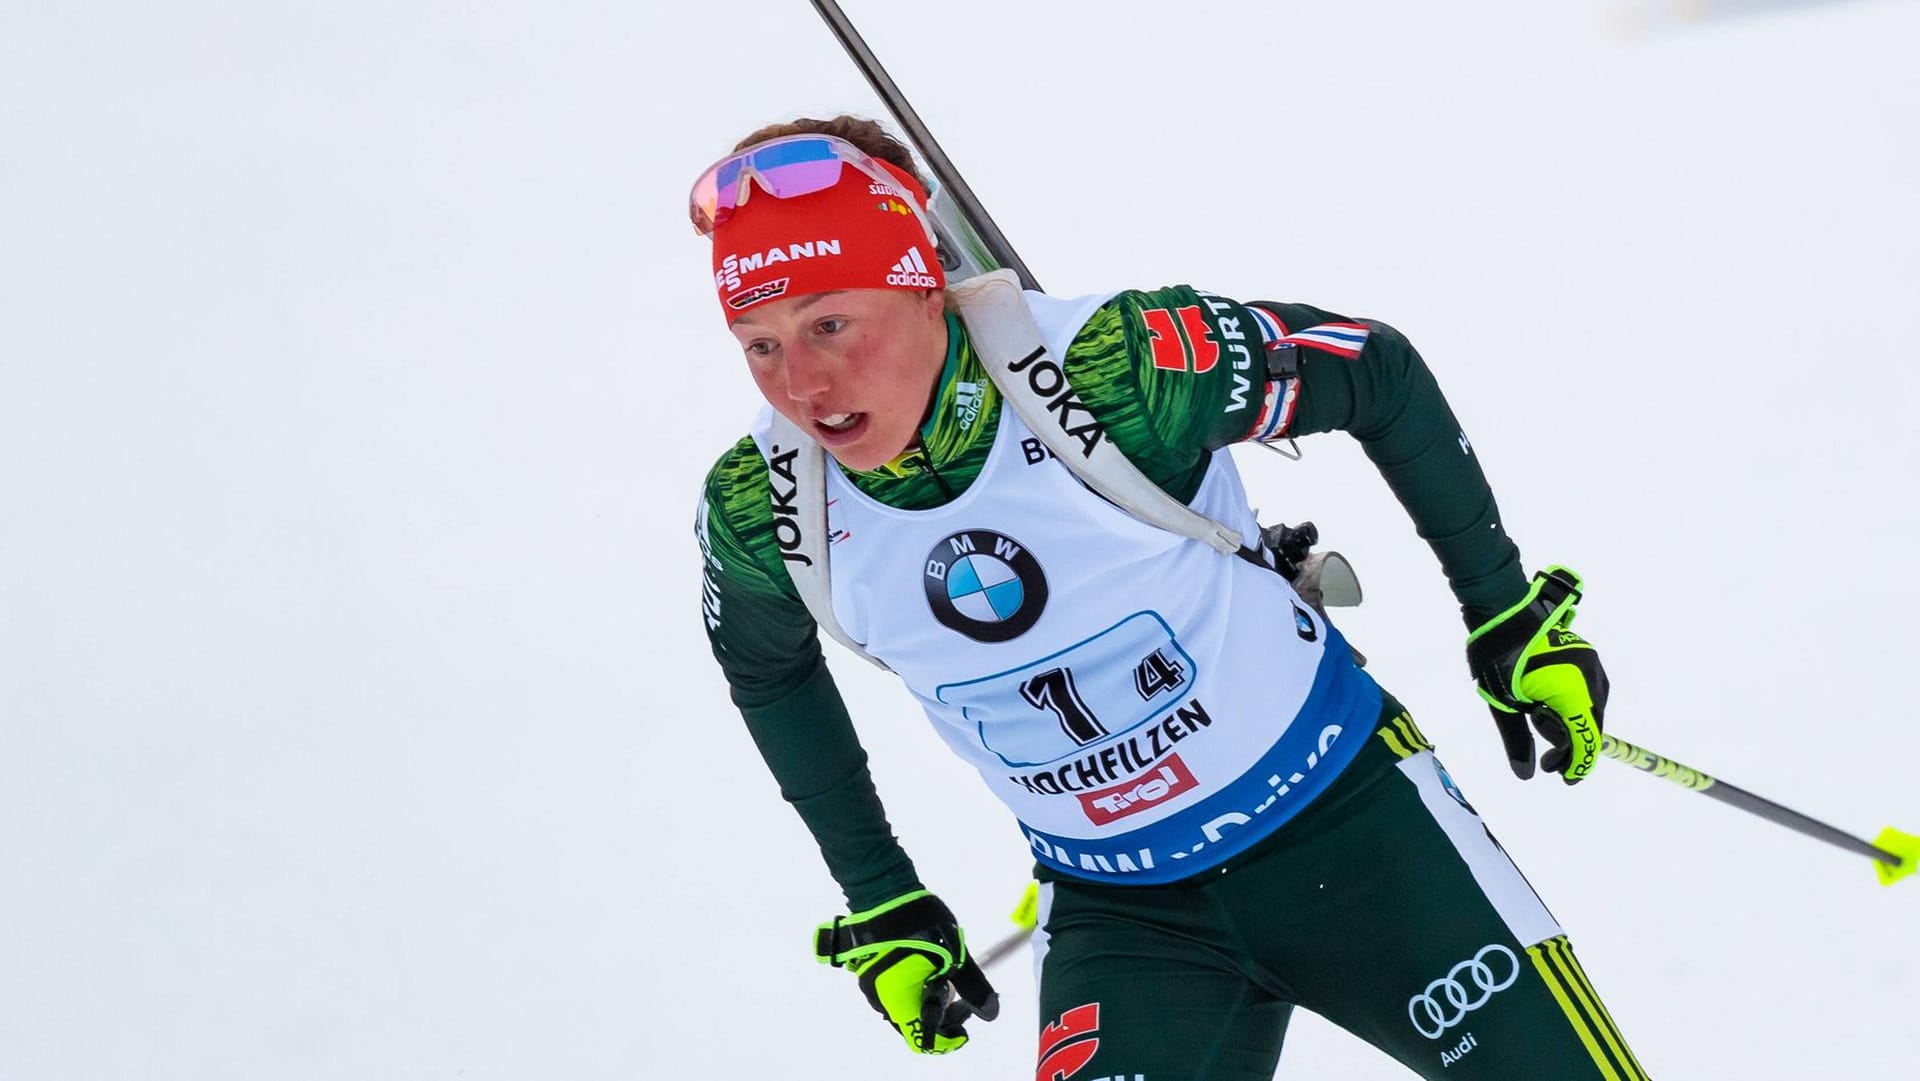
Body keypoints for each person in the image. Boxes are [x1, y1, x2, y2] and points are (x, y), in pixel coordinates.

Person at [691, 114, 1648, 1081]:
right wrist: (882, 895)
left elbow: (1373, 369)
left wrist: (1503, 615)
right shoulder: (763, 508)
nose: (803, 384)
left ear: (925, 286)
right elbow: (767, 671)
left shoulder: (1117, 368)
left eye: (829, 325)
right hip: (1126, 919)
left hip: (1356, 834)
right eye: (759, 345)